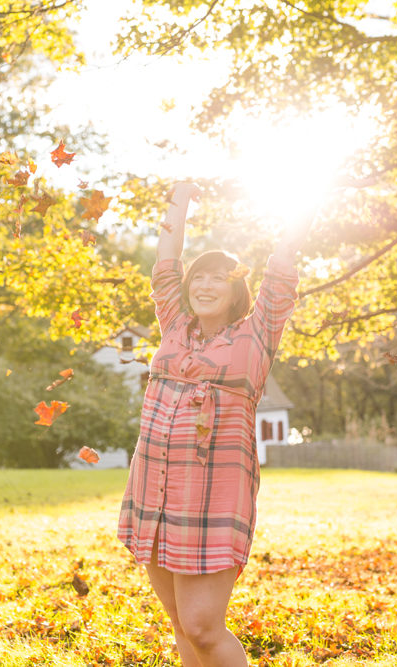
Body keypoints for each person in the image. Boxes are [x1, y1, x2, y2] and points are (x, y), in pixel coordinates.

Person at [117, 181, 313, 666]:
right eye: (199, 277)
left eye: (218, 279)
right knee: (182, 625)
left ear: (236, 291)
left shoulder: (257, 334)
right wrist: (179, 198)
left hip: (214, 494)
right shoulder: (173, 325)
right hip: (155, 489)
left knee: (203, 626)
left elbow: (282, 267)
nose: (204, 285)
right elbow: (166, 260)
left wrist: (306, 195)